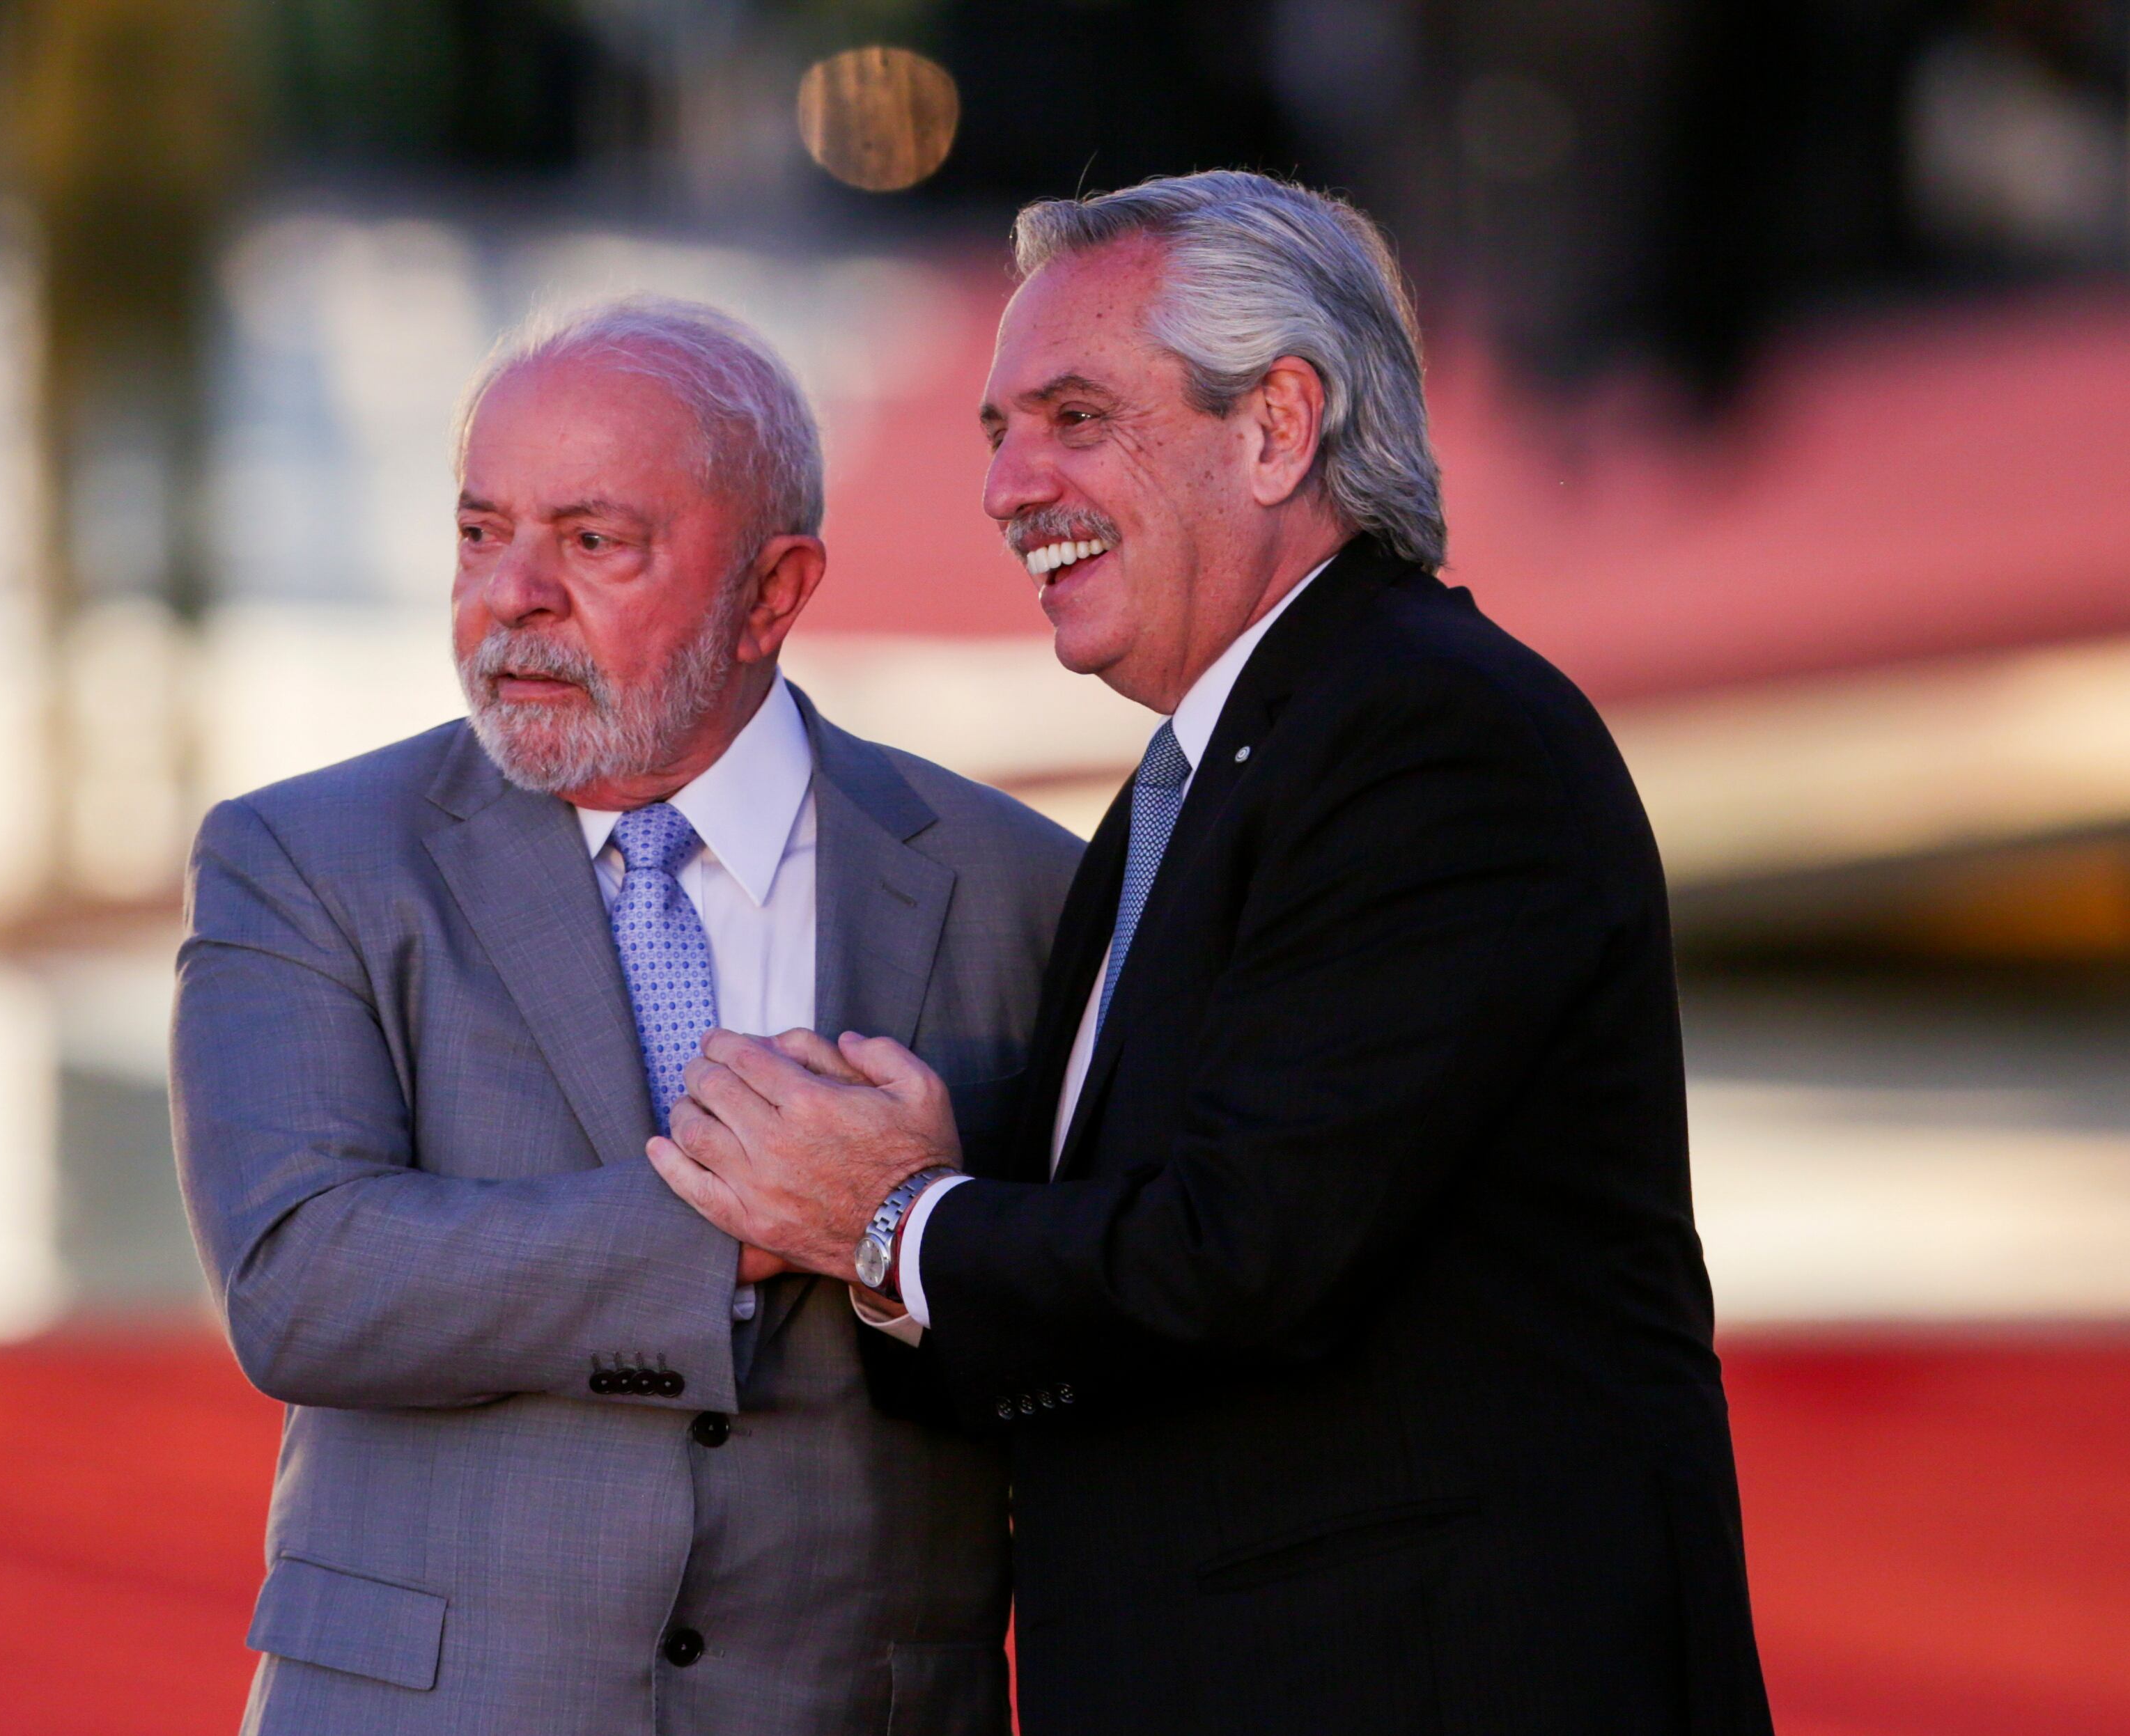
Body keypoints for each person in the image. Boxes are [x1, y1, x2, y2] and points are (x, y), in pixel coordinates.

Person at [651, 171, 1775, 1734]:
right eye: (997, 431)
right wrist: (932, 1210)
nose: (1006, 486)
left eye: (1072, 416)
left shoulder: (1431, 737)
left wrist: (896, 1219)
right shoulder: (1212, 771)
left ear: (1276, 426)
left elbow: (1247, 1252)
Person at [171, 297, 1080, 1735]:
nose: (511, 593)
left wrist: (921, 1224)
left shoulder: (1019, 887)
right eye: (479, 532)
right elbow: (299, 1279)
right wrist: (768, 1210)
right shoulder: (304, 858)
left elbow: (1090, 1308)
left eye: (593, 543)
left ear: (772, 593)